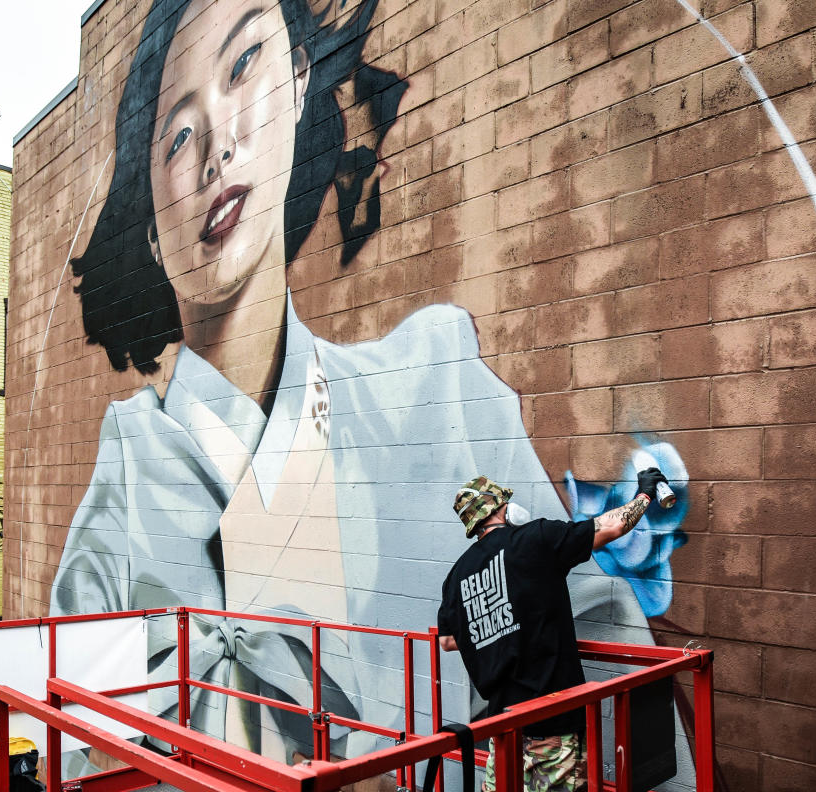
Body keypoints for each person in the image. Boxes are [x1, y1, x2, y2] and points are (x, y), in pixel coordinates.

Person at [47, 0, 692, 772]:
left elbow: (603, 634)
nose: (218, 146)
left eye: (243, 63)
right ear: (149, 230)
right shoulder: (126, 482)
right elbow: (85, 747)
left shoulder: (435, 380)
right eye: (180, 135)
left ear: (297, 81)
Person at [437, 470, 669, 792]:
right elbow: (611, 526)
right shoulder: (535, 539)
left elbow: (448, 640)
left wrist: (495, 628)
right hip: (554, 727)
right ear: (501, 509)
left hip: (503, 729)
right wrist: (644, 495)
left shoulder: (457, 577)